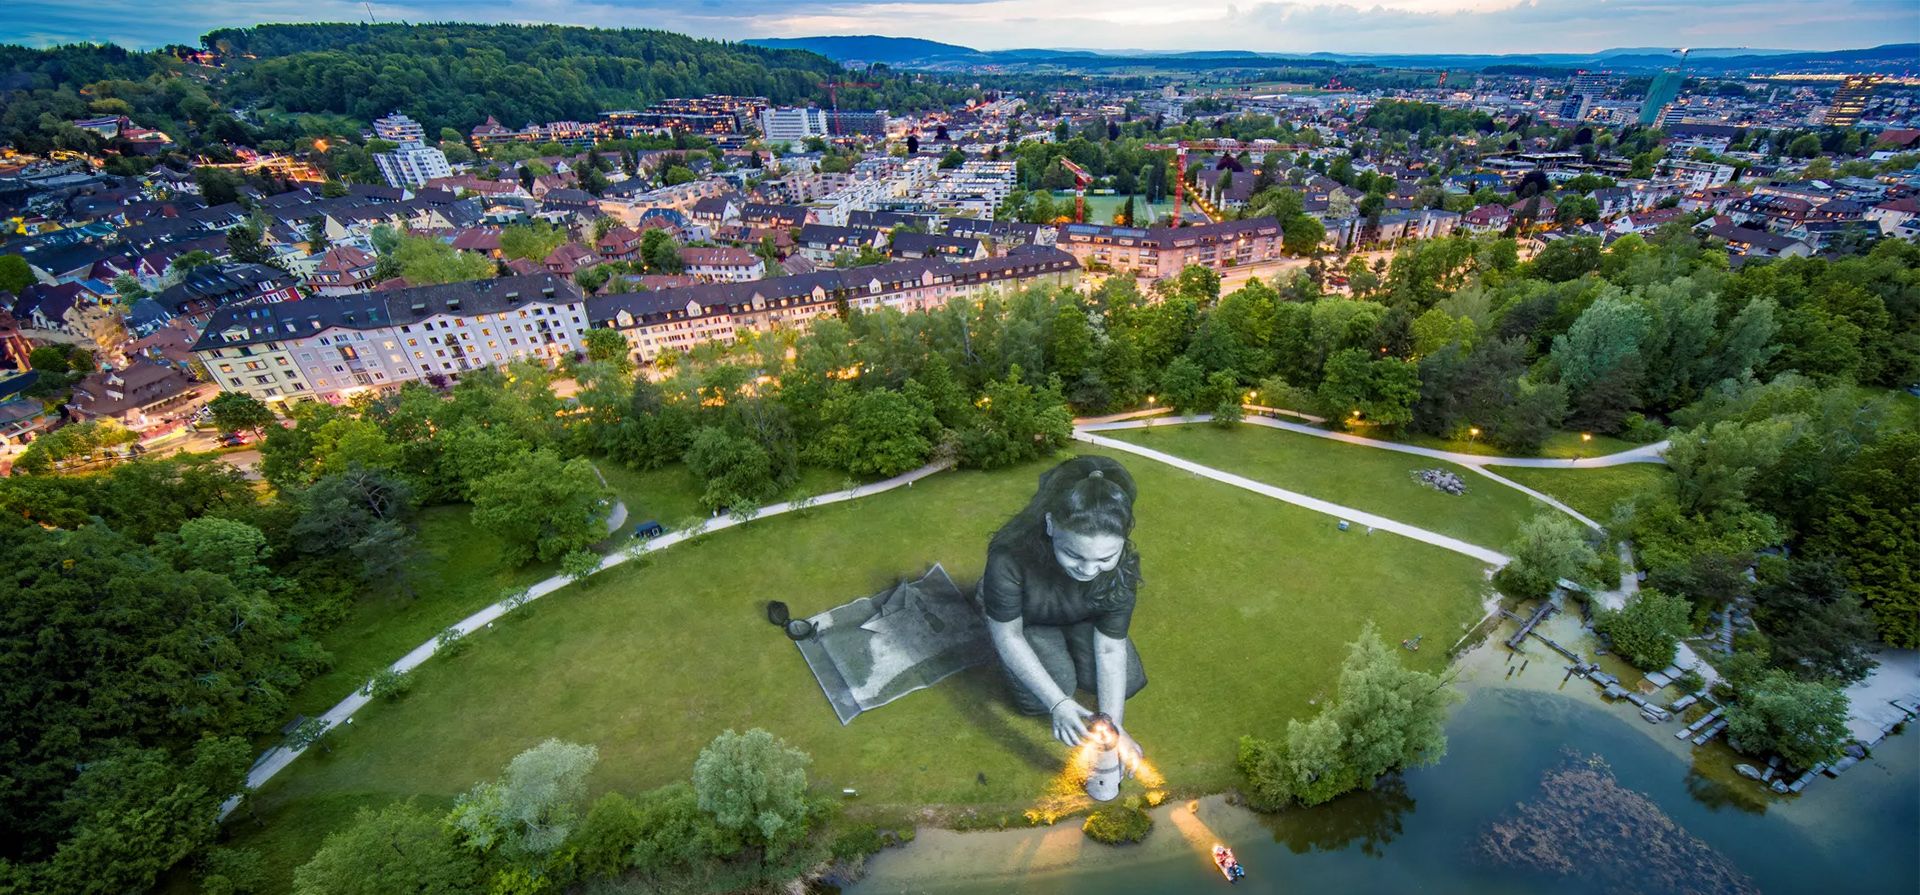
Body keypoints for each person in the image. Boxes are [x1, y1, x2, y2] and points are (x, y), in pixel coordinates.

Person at [980, 456, 1147, 764]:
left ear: (1122, 542)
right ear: (1050, 525)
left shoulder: (1121, 566)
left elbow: (1110, 648)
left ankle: (1069, 639)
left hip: (1081, 614)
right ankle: (1052, 663)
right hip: (1029, 619)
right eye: (1073, 554)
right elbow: (1008, 635)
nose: (1088, 569)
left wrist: (1114, 724)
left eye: (1104, 558)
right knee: (1043, 696)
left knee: (1130, 681)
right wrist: (1057, 703)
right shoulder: (1009, 557)